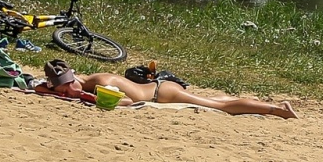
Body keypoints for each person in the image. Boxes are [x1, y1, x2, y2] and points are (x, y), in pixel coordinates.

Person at [34, 59, 297, 117]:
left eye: (67, 90)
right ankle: (260, 102)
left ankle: (278, 110)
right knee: (215, 99)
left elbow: (126, 103)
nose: (67, 95)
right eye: (62, 94)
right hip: (159, 89)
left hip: (163, 93)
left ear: (72, 80)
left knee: (223, 108)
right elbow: (38, 88)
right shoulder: (89, 80)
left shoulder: (102, 83)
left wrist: (85, 98)